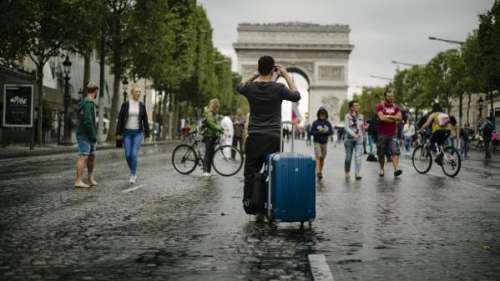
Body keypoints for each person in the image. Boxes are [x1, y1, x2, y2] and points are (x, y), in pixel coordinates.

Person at [236, 55, 300, 217]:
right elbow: (296, 95)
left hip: (254, 137)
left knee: (250, 173)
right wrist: (286, 75)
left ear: (259, 68)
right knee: (274, 172)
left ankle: (251, 205)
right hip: (273, 138)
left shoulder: (250, 87)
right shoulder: (278, 88)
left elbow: (239, 86)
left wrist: (255, 75)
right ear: (273, 70)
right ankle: (271, 205)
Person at [116, 86, 150, 184]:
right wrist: (118, 133)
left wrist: (147, 134)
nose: (138, 93)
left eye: (139, 92)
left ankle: (133, 174)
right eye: (136, 92)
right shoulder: (125, 104)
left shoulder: (142, 105)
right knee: (128, 155)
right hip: (127, 133)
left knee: (134, 154)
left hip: (138, 133)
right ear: (132, 93)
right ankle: (133, 169)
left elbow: (145, 121)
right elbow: (120, 119)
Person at [74, 82, 99, 188]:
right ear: (95, 91)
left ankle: (90, 178)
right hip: (86, 135)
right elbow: (88, 121)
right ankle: (78, 180)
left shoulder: (87, 102)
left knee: (92, 156)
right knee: (83, 156)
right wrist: (93, 134)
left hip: (87, 134)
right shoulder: (88, 103)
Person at [376, 88, 403, 177]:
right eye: (388, 96)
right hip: (382, 134)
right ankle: (381, 169)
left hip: (393, 134)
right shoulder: (380, 106)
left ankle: (396, 169)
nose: (391, 97)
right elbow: (381, 118)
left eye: (392, 96)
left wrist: (387, 116)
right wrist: (393, 118)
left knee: (395, 151)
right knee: (381, 153)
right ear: (385, 97)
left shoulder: (396, 107)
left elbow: (400, 118)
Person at [202, 99, 224, 176]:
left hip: (212, 136)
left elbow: (215, 124)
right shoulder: (209, 113)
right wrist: (219, 128)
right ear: (214, 107)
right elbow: (211, 124)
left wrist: (220, 130)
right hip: (209, 135)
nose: (218, 109)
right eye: (217, 107)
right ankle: (205, 171)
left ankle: (208, 171)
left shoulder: (213, 114)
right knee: (208, 153)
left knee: (211, 154)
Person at [344, 100, 365, 180]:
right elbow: (346, 127)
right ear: (351, 107)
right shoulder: (347, 116)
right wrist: (354, 135)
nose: (357, 107)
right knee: (348, 158)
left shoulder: (361, 116)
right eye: (355, 105)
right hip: (349, 139)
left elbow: (362, 127)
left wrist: (364, 134)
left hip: (359, 139)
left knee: (358, 157)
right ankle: (347, 171)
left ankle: (357, 173)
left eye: (358, 105)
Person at [310, 107, 333, 180]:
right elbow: (311, 132)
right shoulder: (315, 123)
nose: (322, 115)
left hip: (324, 142)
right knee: (318, 156)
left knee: (322, 158)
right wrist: (318, 132)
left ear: (326, 115)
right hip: (317, 141)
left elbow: (331, 132)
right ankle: (318, 172)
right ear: (318, 114)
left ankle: (320, 171)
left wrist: (326, 132)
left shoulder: (328, 123)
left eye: (323, 114)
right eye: (321, 114)